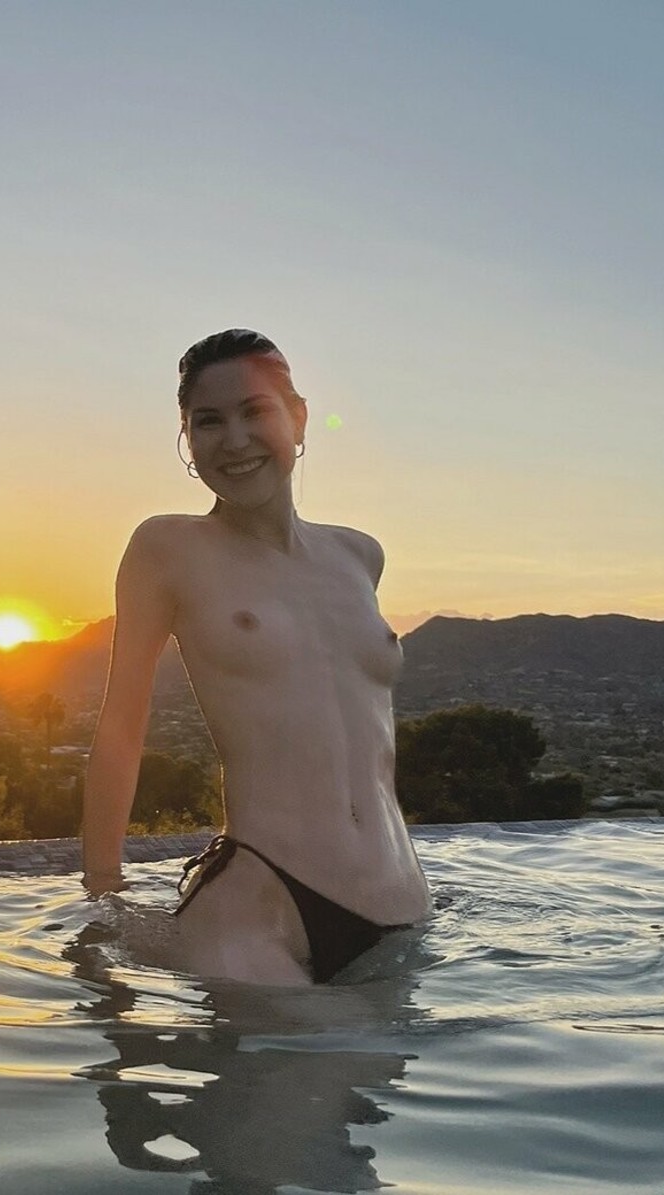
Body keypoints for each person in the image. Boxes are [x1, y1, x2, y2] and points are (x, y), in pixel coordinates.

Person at [81, 329, 431, 985]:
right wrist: (102, 892)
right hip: (262, 909)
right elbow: (121, 727)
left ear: (297, 418)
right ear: (188, 440)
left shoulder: (359, 556)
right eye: (208, 421)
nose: (235, 439)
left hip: (403, 900)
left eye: (255, 411)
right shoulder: (167, 550)